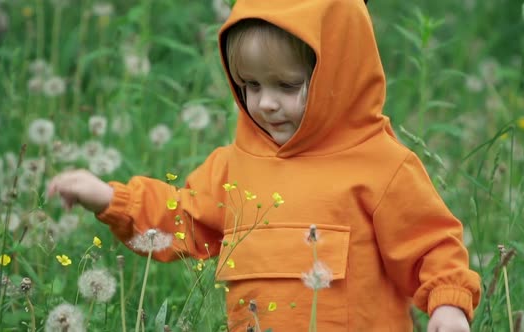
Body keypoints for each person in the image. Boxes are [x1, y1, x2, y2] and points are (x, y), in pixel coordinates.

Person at [48, 0, 481, 330]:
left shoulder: (380, 165)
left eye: (287, 85)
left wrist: (448, 302)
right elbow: (181, 219)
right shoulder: (236, 166)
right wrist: (110, 198)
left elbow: (430, 244)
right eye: (250, 85)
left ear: (340, 75)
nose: (266, 103)